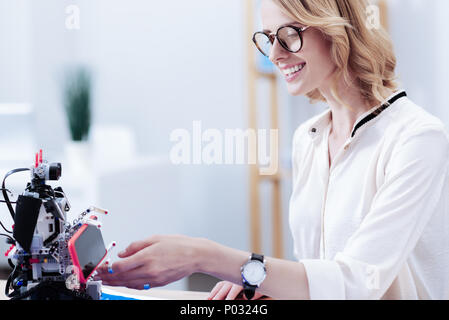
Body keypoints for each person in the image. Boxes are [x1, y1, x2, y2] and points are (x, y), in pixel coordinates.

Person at [94, 0, 449, 300]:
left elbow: (357, 283)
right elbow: (322, 273)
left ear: (336, 29)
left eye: (290, 35)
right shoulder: (309, 137)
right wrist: (261, 283)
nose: (276, 54)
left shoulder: (418, 139)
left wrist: (203, 256)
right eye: (267, 38)